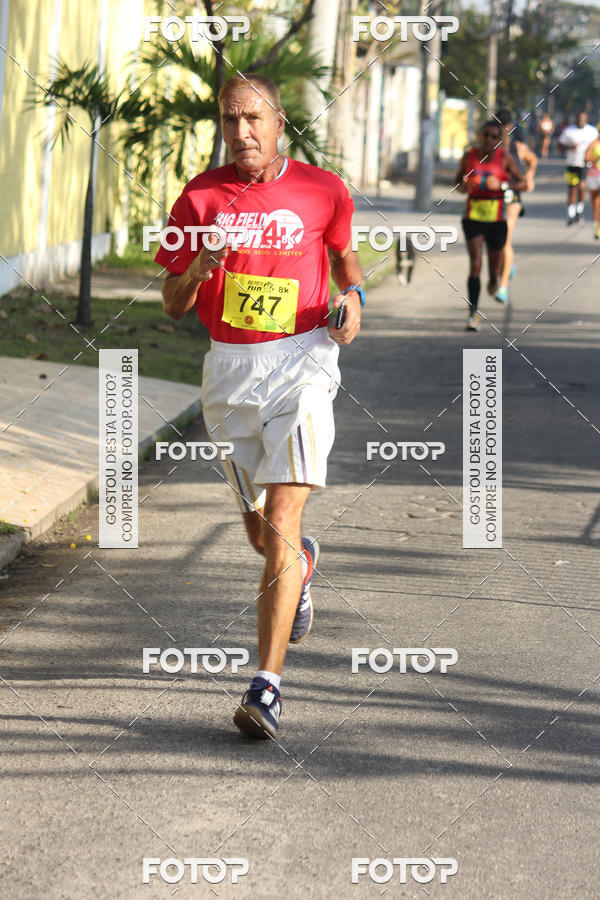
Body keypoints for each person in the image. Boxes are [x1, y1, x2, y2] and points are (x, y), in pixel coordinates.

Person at [154, 74, 364, 740]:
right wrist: (197, 270)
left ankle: (266, 688)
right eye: (228, 119)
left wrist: (355, 301)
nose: (240, 131)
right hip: (230, 367)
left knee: (281, 510)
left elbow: (346, 258)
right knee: (259, 533)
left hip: (302, 360)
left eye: (253, 118)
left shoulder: (323, 189)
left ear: (279, 122)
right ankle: (300, 564)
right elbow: (170, 302)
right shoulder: (201, 196)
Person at [455, 121, 527, 331]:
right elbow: (457, 183)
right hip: (473, 216)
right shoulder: (470, 156)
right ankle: (472, 314)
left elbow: (523, 183)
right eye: (485, 135)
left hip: (496, 219)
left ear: (499, 140)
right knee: (475, 264)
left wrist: (503, 185)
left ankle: (495, 278)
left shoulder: (505, 158)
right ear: (480, 135)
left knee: (493, 268)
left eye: (494, 136)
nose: (488, 139)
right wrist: (465, 186)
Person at [494, 108, 537, 303]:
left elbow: (533, 160)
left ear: (511, 127)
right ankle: (506, 265)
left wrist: (529, 177)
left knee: (505, 236)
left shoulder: (518, 148)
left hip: (513, 196)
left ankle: (502, 287)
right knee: (495, 241)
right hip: (493, 197)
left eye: (506, 126)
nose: (503, 130)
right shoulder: (490, 147)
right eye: (500, 125)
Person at [558, 111, 599, 225]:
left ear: (586, 120)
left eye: (583, 119)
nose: (581, 121)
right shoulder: (568, 131)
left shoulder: (592, 131)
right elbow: (560, 145)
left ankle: (579, 212)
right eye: (579, 119)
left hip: (586, 164)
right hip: (572, 163)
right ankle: (571, 214)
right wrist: (570, 146)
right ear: (575, 119)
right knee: (572, 189)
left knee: (582, 186)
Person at [584, 123, 600, 239]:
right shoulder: (594, 144)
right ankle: (596, 224)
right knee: (595, 202)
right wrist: (596, 158)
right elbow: (586, 158)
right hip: (594, 175)